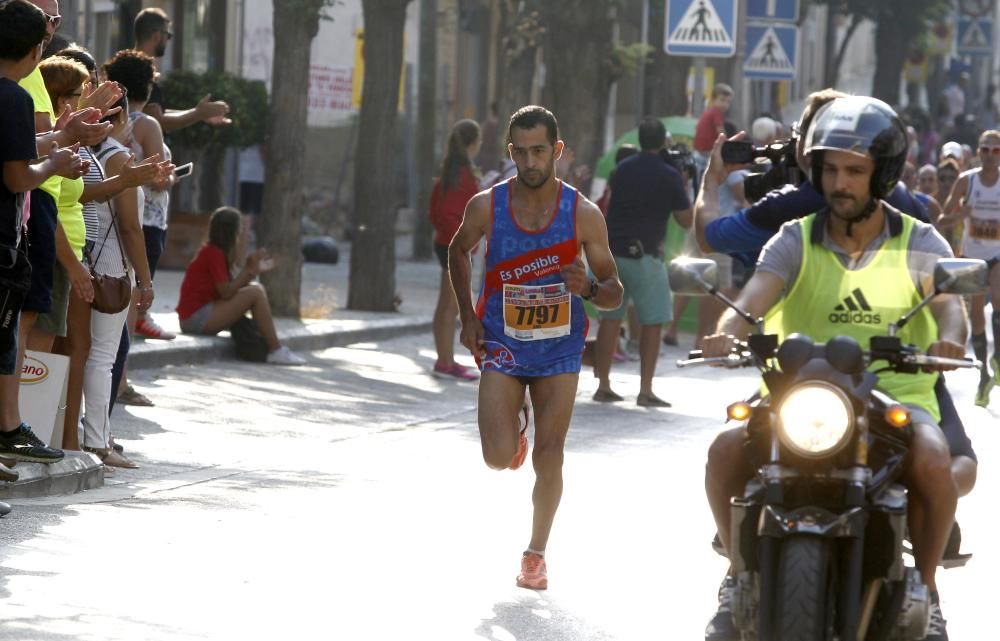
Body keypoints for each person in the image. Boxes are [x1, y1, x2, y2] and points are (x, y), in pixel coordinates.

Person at [702, 97, 962, 641]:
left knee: (936, 460)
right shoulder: (794, 237)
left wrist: (954, 340)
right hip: (799, 393)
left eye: (855, 171)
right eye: (830, 169)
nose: (840, 183)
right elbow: (753, 297)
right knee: (724, 447)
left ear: (883, 174)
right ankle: (736, 573)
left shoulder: (920, 241)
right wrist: (728, 332)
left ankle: (930, 590)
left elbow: (950, 306)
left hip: (893, 394)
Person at [448, 105, 622, 589]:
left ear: (557, 152)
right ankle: (514, 431)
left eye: (539, 151)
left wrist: (586, 287)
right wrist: (467, 315)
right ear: (510, 153)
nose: (530, 162)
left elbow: (614, 290)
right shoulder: (487, 205)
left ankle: (535, 552)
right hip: (502, 342)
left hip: (560, 349)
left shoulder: (583, 215)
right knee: (497, 457)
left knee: (551, 455)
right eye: (521, 152)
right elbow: (457, 250)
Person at [0, 0, 80, 478]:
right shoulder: (13, 98)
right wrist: (56, 163)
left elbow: (18, 148)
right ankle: (9, 429)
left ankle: (10, 429)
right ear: (36, 51)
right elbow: (16, 176)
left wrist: (62, 135)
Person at [80, 92, 158, 467]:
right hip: (109, 266)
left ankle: (89, 435)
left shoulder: (79, 149)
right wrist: (145, 279)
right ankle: (97, 441)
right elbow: (130, 227)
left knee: (86, 353)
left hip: (84, 260)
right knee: (103, 356)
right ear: (123, 118)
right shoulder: (119, 157)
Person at [592, 117, 692, 405]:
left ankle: (604, 384)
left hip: (613, 252)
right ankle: (645, 390)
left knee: (610, 318)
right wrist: (683, 184)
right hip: (646, 255)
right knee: (653, 322)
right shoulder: (669, 174)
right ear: (663, 141)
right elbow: (685, 220)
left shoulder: (622, 168)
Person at [176, 206, 306, 366]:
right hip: (195, 319)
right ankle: (276, 350)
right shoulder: (213, 253)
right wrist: (249, 270)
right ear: (231, 233)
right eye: (241, 231)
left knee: (254, 289)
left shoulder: (215, 253)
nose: (243, 237)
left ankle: (274, 348)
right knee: (256, 291)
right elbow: (226, 292)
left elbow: (233, 288)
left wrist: (252, 271)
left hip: (200, 315)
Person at [941, 130, 1000, 408]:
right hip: (972, 255)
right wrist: (958, 215)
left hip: (997, 254)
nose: (989, 156)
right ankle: (984, 374)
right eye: (984, 150)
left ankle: (998, 357)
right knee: (976, 315)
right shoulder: (967, 181)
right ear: (977, 152)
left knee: (998, 298)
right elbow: (941, 219)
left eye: (995, 151)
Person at [428, 119, 482, 380]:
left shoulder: (449, 171)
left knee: (445, 304)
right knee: (450, 306)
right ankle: (446, 361)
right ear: (474, 143)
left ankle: (444, 359)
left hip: (444, 242)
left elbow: (434, 211)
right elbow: (451, 213)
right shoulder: (463, 175)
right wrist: (463, 244)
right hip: (454, 246)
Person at [133, 8, 230, 132]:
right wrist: (197, 114)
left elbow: (153, 114)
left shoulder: (130, 66)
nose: (168, 41)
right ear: (157, 36)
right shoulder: (142, 72)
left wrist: (199, 114)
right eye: (168, 35)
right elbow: (157, 121)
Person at [693, 83, 734, 177]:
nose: (725, 105)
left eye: (728, 102)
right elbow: (721, 133)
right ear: (713, 99)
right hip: (708, 152)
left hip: (700, 151)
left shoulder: (708, 112)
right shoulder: (716, 113)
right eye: (722, 100)